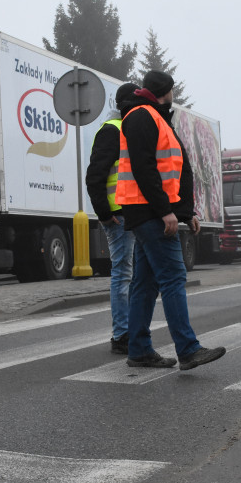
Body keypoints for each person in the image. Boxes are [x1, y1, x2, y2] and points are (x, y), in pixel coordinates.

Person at [116, 71, 225, 370]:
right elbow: (144, 169)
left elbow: (175, 170)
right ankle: (188, 349)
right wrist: (166, 211)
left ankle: (138, 349)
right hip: (149, 211)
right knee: (174, 277)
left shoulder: (155, 117)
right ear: (168, 91)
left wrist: (186, 213)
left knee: (145, 282)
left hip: (151, 209)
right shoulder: (142, 117)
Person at [86, 82, 139, 354]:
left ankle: (131, 331)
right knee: (123, 275)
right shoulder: (112, 131)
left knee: (131, 275)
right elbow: (94, 176)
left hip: (132, 214)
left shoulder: (129, 130)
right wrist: (104, 214)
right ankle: (122, 335)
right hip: (118, 216)